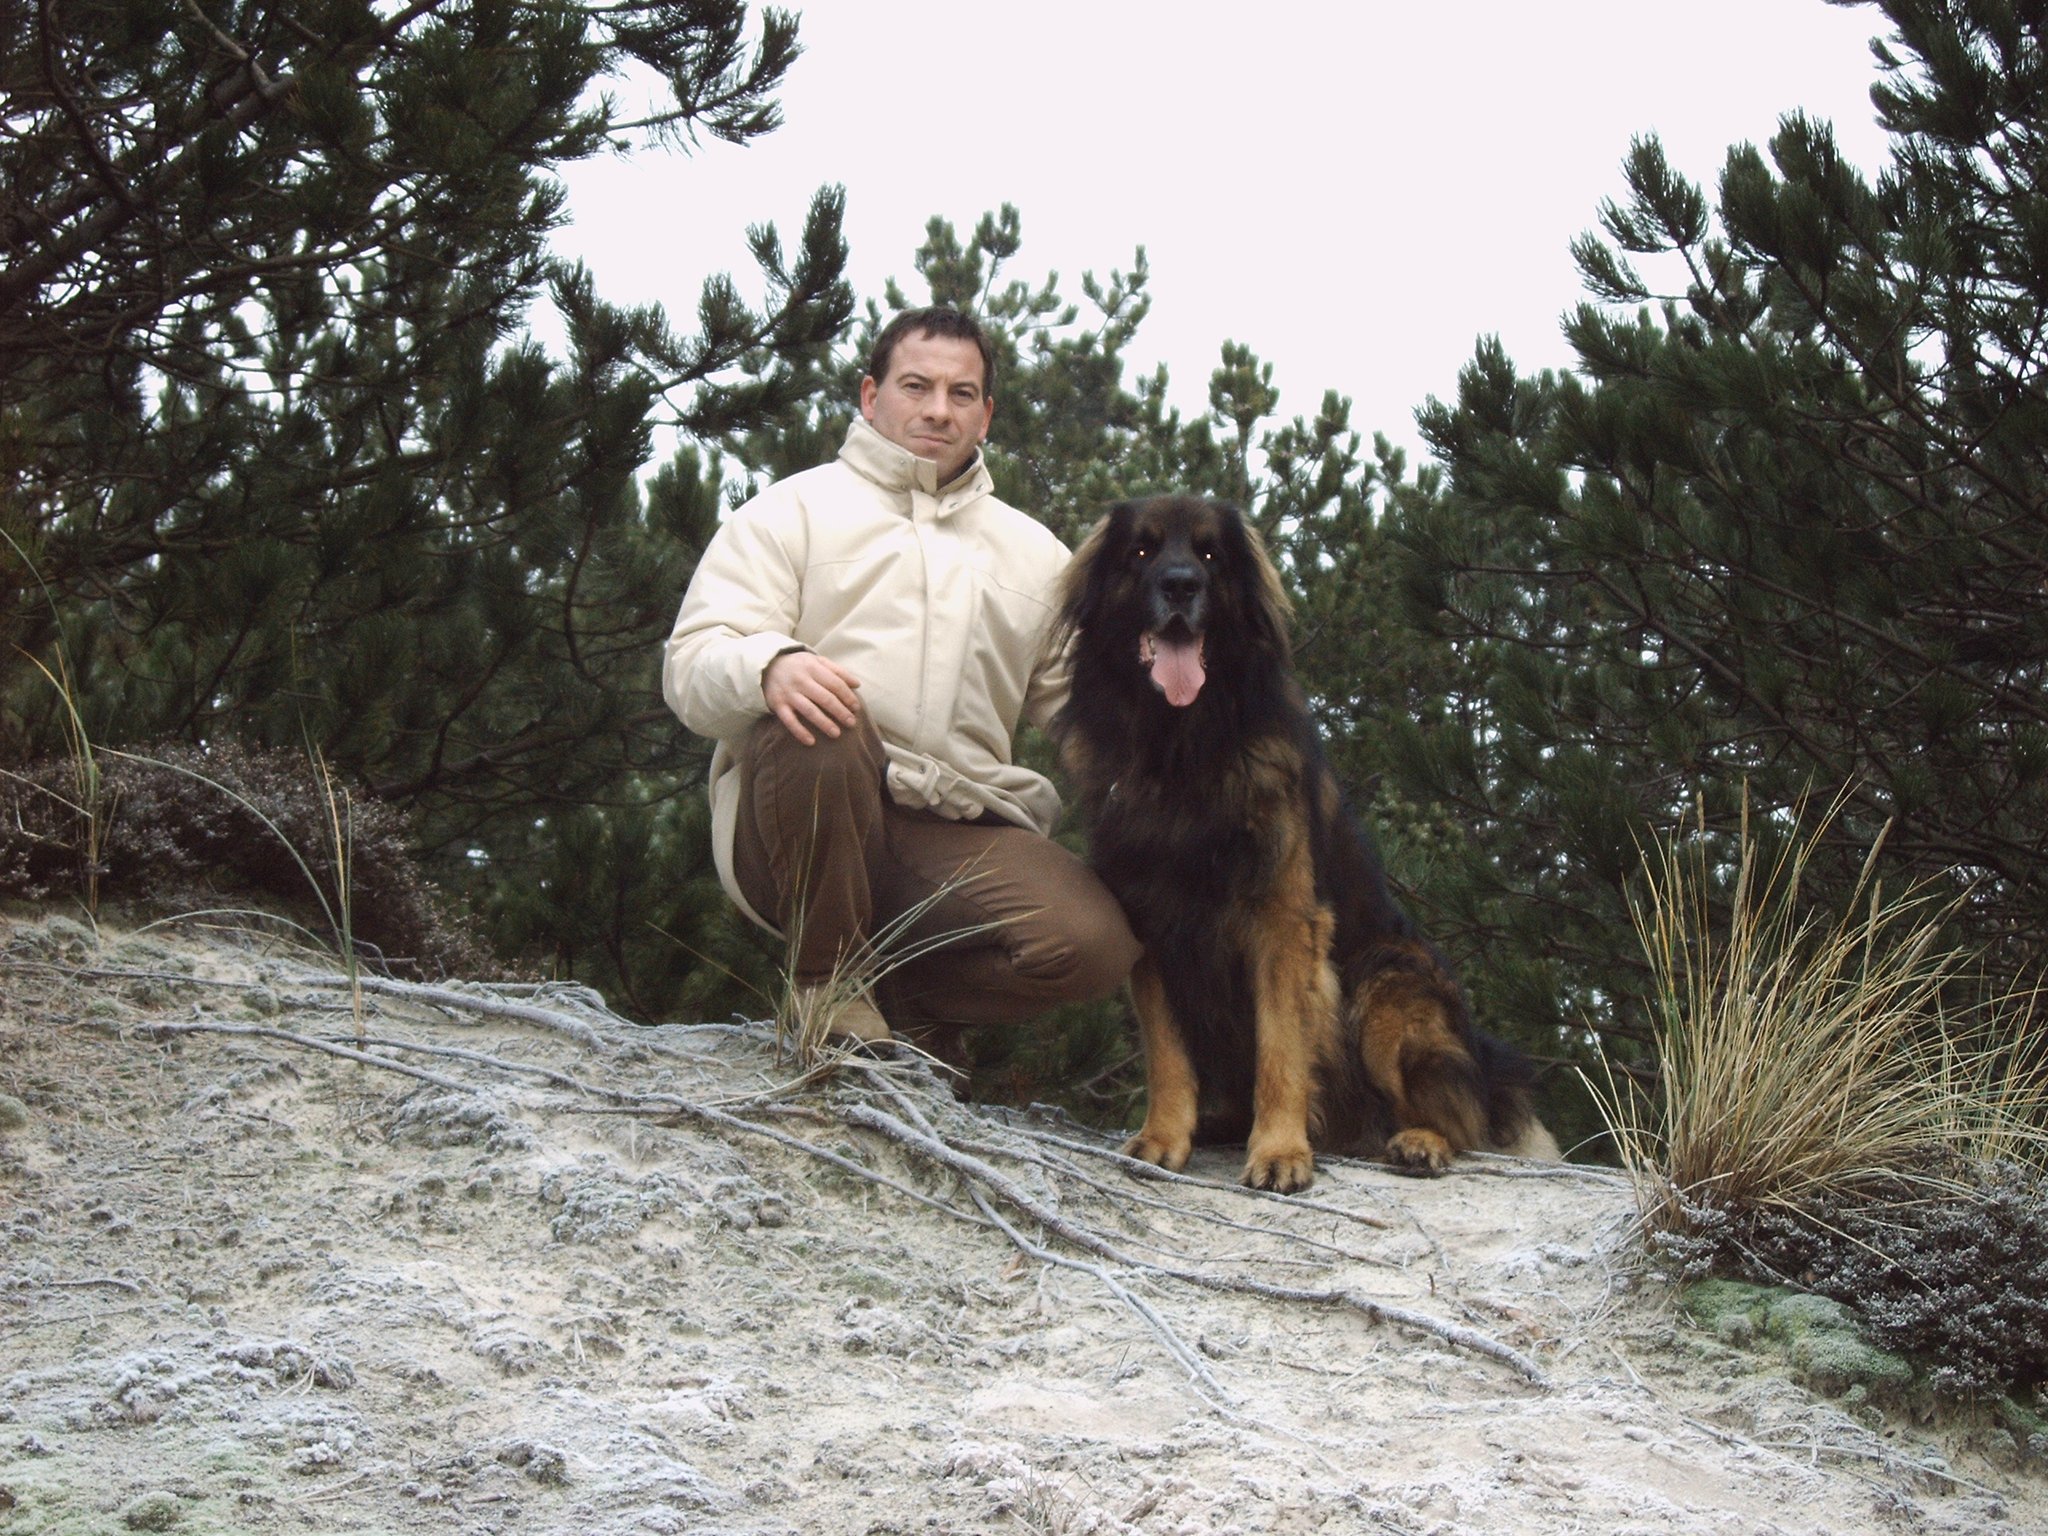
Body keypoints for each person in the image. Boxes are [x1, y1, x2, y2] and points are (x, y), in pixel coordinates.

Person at [661, 306, 1139, 1055]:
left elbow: (1092, 714)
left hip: (954, 834)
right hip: (801, 814)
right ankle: (827, 985)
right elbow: (691, 664)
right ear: (870, 395)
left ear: (986, 415)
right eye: (916, 386)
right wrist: (769, 666)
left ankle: (902, 999)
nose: (938, 410)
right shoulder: (790, 512)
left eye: (961, 393)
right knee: (826, 715)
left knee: (1095, 945)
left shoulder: (1035, 555)